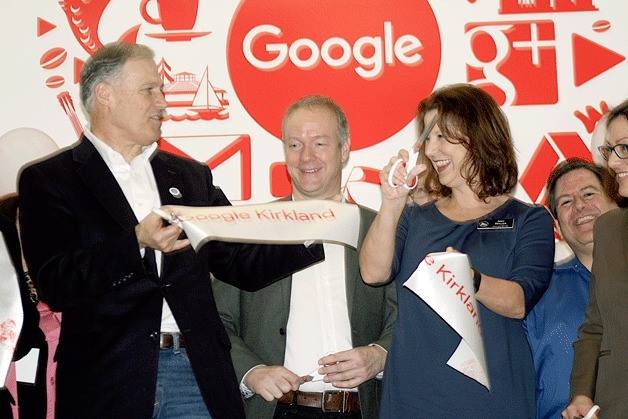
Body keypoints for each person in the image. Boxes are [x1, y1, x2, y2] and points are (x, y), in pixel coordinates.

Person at [17, 41, 324, 419]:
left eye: (161, 90)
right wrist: (135, 244)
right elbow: (56, 284)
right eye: (150, 90)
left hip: (196, 375)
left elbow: (241, 261)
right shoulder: (49, 180)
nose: (163, 102)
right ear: (105, 95)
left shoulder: (191, 177)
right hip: (107, 381)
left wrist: (317, 230)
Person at [359, 83, 555, 418]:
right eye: (427, 138)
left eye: (443, 137)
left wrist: (468, 278)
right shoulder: (415, 218)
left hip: (491, 399)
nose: (431, 150)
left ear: (480, 136)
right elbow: (373, 273)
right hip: (413, 399)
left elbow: (519, 302)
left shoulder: (528, 219)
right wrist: (392, 204)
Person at [213, 96, 397, 419]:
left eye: (319, 143)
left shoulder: (380, 228)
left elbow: (406, 317)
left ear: (344, 149)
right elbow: (215, 320)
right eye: (295, 145)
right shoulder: (251, 229)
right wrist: (252, 372)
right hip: (276, 411)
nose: (306, 156)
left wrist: (380, 355)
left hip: (362, 409)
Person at [524, 158, 620, 419]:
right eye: (566, 202)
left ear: (617, 202)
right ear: (557, 226)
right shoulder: (536, 294)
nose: (580, 206)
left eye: (589, 193)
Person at [563, 99, 628, 419]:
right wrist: (581, 395)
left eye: (624, 149)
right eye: (610, 150)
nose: (614, 163)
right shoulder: (611, 229)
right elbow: (594, 328)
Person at [1, 206, 47, 419]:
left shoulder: (4, 227)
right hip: (25, 341)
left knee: (32, 406)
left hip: (27, 343)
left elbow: (18, 291)